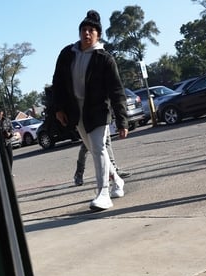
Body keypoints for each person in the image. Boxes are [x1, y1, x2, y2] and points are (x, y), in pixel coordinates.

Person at [50, 10, 128, 211]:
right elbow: (57, 82)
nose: (86, 33)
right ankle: (118, 181)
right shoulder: (67, 54)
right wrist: (58, 108)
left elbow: (117, 91)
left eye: (91, 30)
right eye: (83, 29)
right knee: (94, 149)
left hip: (97, 110)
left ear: (98, 35)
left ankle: (103, 194)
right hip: (76, 110)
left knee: (98, 147)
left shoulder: (104, 59)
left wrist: (122, 121)